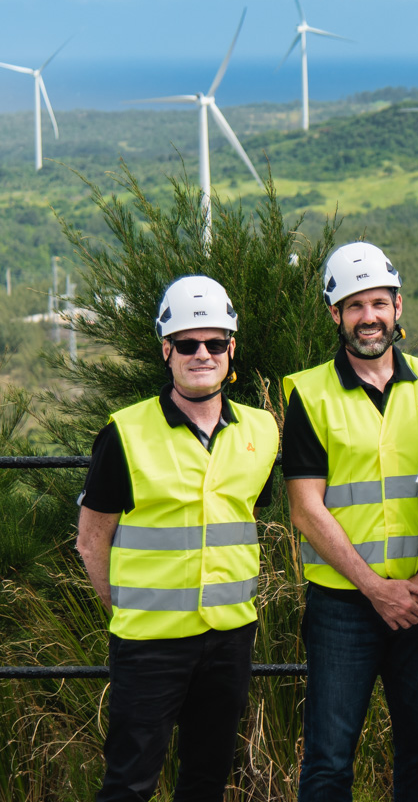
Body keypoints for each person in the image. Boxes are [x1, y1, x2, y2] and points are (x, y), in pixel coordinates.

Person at [75, 275, 279, 802]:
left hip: (230, 638)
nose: (202, 354)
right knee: (128, 782)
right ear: (166, 350)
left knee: (208, 780)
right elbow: (91, 541)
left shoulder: (263, 431)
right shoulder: (124, 432)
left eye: (214, 343)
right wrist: (126, 611)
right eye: (188, 344)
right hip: (148, 644)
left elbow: (244, 515)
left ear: (232, 349)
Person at [282, 242, 418, 802]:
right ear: (334, 314)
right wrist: (376, 589)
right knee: (329, 761)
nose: (368, 317)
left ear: (398, 306)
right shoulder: (308, 393)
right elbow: (306, 508)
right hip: (343, 605)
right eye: (354, 306)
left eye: (378, 302)